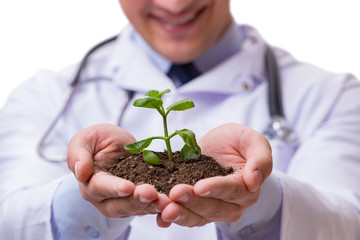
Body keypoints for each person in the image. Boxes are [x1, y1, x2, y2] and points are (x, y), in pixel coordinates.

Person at [0, 0, 359, 239]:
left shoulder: (333, 95)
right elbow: (10, 222)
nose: (175, 4)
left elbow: (348, 225)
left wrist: (258, 197)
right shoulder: (45, 95)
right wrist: (84, 195)